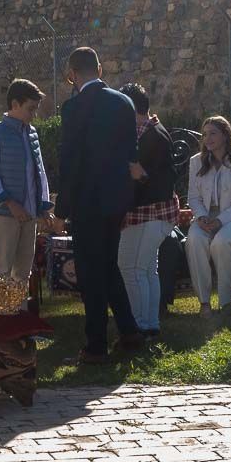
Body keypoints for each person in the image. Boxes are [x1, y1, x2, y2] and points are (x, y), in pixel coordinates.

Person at [55, 47, 144, 364]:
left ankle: (96, 344)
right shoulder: (124, 102)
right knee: (108, 264)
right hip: (116, 198)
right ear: (100, 69)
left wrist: (61, 208)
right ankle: (129, 330)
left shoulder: (74, 107)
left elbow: (70, 160)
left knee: (91, 272)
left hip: (87, 200)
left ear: (72, 74)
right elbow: (132, 152)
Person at [0, 79, 60, 283]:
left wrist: (42, 207)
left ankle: (19, 314)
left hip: (30, 214)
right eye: (30, 109)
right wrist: (10, 202)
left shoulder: (32, 133)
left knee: (23, 272)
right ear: (15, 104)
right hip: (6, 215)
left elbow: (38, 172)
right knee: (2, 270)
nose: (34, 115)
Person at [116, 83, 178, 338]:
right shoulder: (149, 130)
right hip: (153, 214)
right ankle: (150, 323)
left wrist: (140, 177)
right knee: (146, 268)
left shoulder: (152, 135)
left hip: (149, 213)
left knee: (131, 268)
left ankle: (140, 325)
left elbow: (162, 181)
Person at [185, 115, 231, 318]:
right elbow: (193, 197)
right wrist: (202, 217)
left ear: (225, 135)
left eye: (213, 133)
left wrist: (220, 221)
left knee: (221, 242)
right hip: (205, 218)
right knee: (194, 240)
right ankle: (204, 301)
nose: (207, 138)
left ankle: (226, 300)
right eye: (205, 134)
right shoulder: (196, 162)